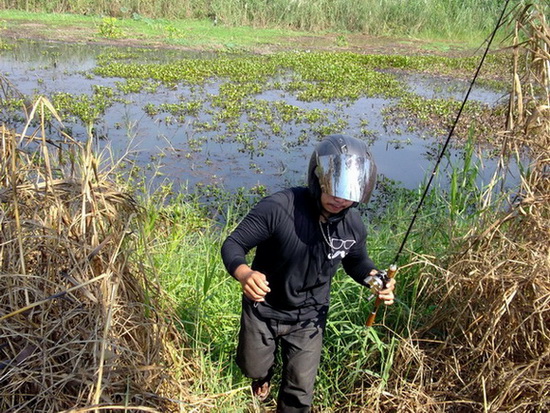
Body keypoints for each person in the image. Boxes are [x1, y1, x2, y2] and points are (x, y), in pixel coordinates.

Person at [221, 134, 396, 412]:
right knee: (252, 366)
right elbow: (234, 244)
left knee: (300, 391)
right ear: (318, 179)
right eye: (333, 191)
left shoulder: (352, 225)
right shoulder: (279, 208)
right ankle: (263, 375)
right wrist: (244, 274)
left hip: (309, 317)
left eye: (348, 196)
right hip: (263, 308)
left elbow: (357, 261)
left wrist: (377, 281)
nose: (339, 201)